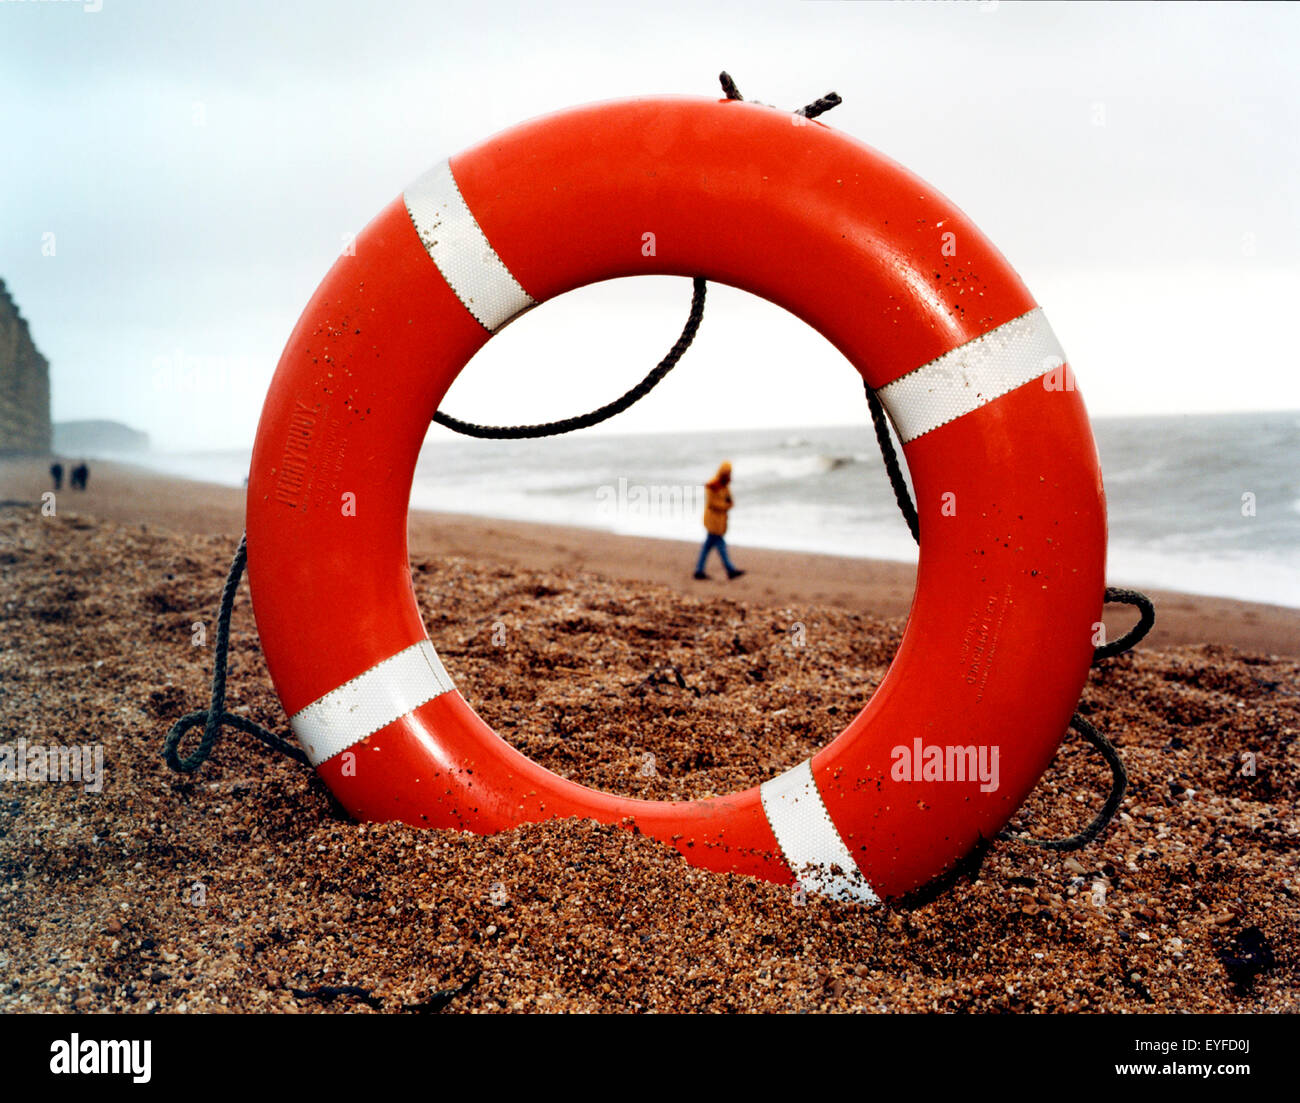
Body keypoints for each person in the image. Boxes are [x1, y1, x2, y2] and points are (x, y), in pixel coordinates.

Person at [694, 460, 744, 580]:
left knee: (708, 546)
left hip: (721, 521)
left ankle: (699, 570)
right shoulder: (713, 485)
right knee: (720, 546)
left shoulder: (724, 485)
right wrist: (725, 505)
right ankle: (730, 569)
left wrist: (727, 504)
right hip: (713, 521)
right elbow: (713, 503)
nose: (728, 476)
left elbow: (730, 501)